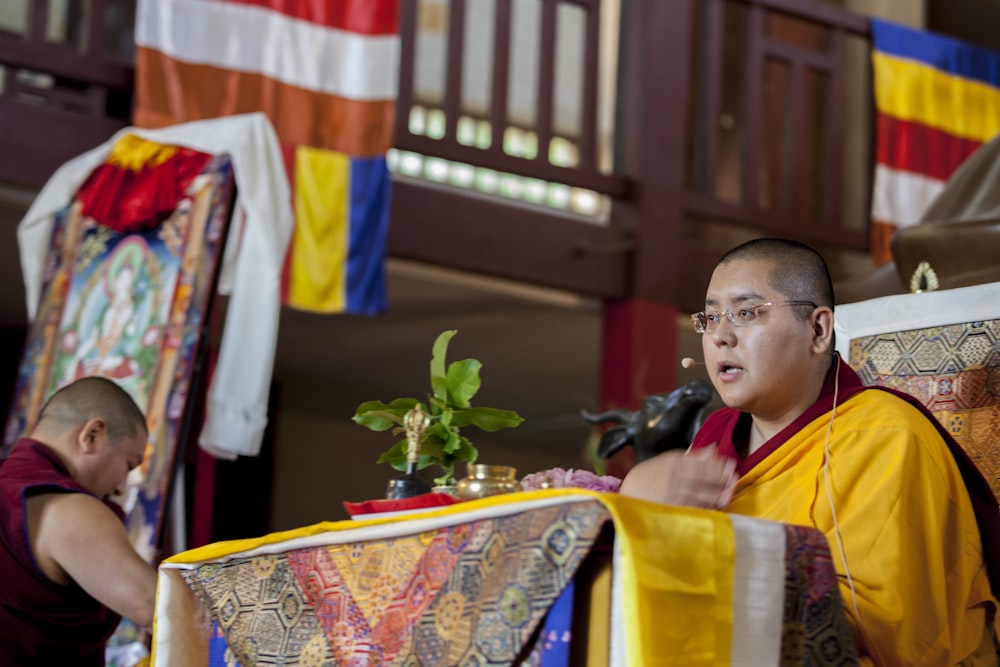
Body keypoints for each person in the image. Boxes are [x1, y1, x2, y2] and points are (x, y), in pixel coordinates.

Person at [621, 238, 999, 666]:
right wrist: (633, 506)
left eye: (746, 313)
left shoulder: (886, 434)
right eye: (710, 318)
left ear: (818, 329)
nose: (720, 337)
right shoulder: (714, 437)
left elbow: (885, 627)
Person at [0, 376, 157, 665]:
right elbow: (154, 606)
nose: (122, 486)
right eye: (128, 464)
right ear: (92, 435)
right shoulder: (65, 506)